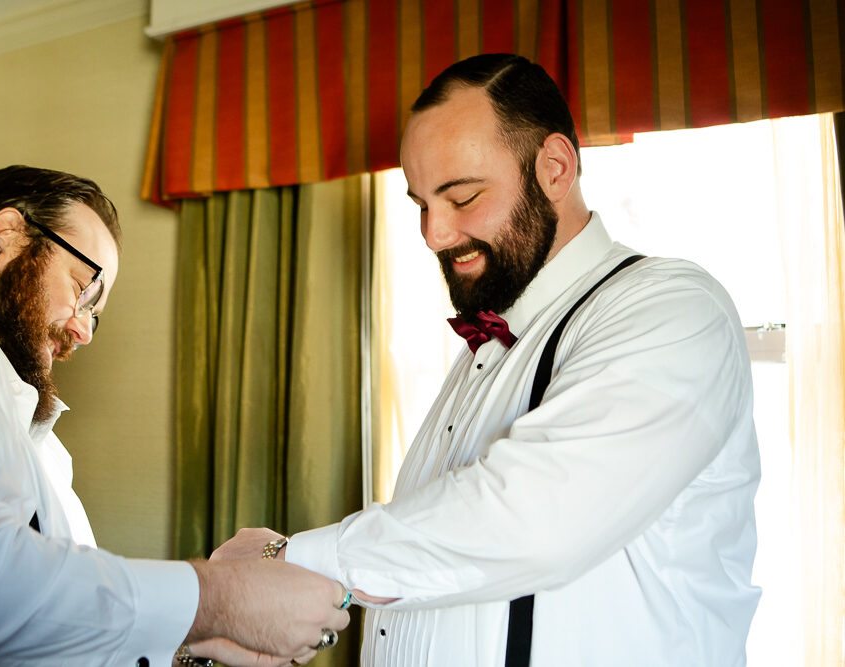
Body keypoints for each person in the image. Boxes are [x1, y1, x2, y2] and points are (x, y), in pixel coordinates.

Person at [212, 54, 761, 666]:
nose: (434, 235)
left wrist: (285, 561)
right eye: (421, 203)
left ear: (554, 168)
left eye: (462, 197)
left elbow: (533, 519)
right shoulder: (488, 348)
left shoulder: (672, 308)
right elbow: (443, 556)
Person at [0, 166, 349, 667]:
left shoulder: (40, 447)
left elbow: (42, 623)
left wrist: (189, 645)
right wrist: (215, 597)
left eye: (96, 314)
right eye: (84, 287)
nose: (83, 332)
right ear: (7, 233)